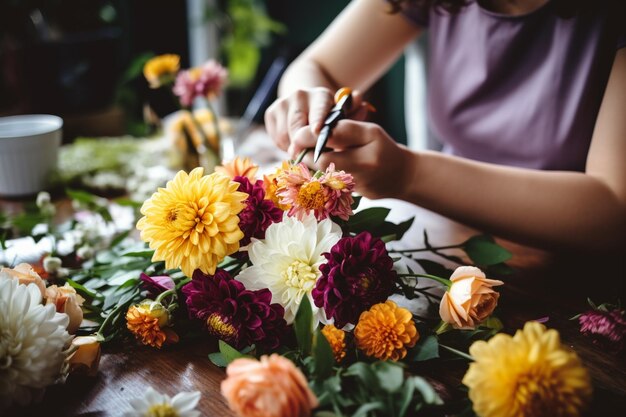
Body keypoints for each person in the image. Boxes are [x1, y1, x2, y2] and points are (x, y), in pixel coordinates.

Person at [264, 0, 626, 253]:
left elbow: (613, 211)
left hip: (583, 284)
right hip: (453, 243)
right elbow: (317, 67)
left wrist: (409, 174)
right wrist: (304, 103)